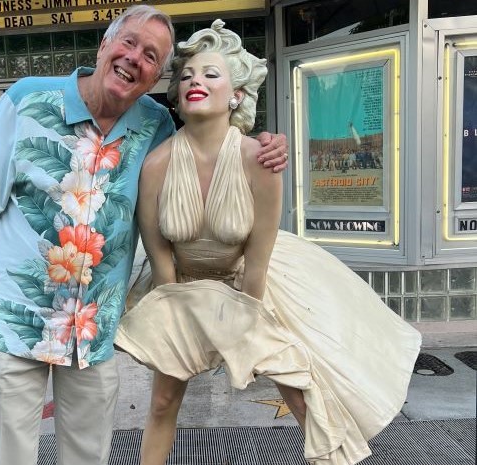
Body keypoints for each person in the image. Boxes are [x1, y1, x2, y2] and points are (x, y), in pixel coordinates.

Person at [0, 6, 289, 465]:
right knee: (6, 456)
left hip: (93, 333)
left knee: (88, 455)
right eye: (129, 42)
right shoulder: (26, 101)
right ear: (104, 46)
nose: (136, 58)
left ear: (156, 76)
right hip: (17, 320)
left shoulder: (155, 126)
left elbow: (210, 143)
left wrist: (266, 144)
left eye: (151, 56)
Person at [114, 20, 422, 465]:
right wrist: (184, 322)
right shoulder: (156, 164)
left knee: (305, 397)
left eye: (211, 74)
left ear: (236, 94)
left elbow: (257, 262)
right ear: (178, 97)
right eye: (186, 76)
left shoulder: (260, 159)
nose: (195, 81)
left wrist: (241, 333)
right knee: (162, 403)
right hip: (177, 290)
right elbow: (161, 258)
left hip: (253, 289)